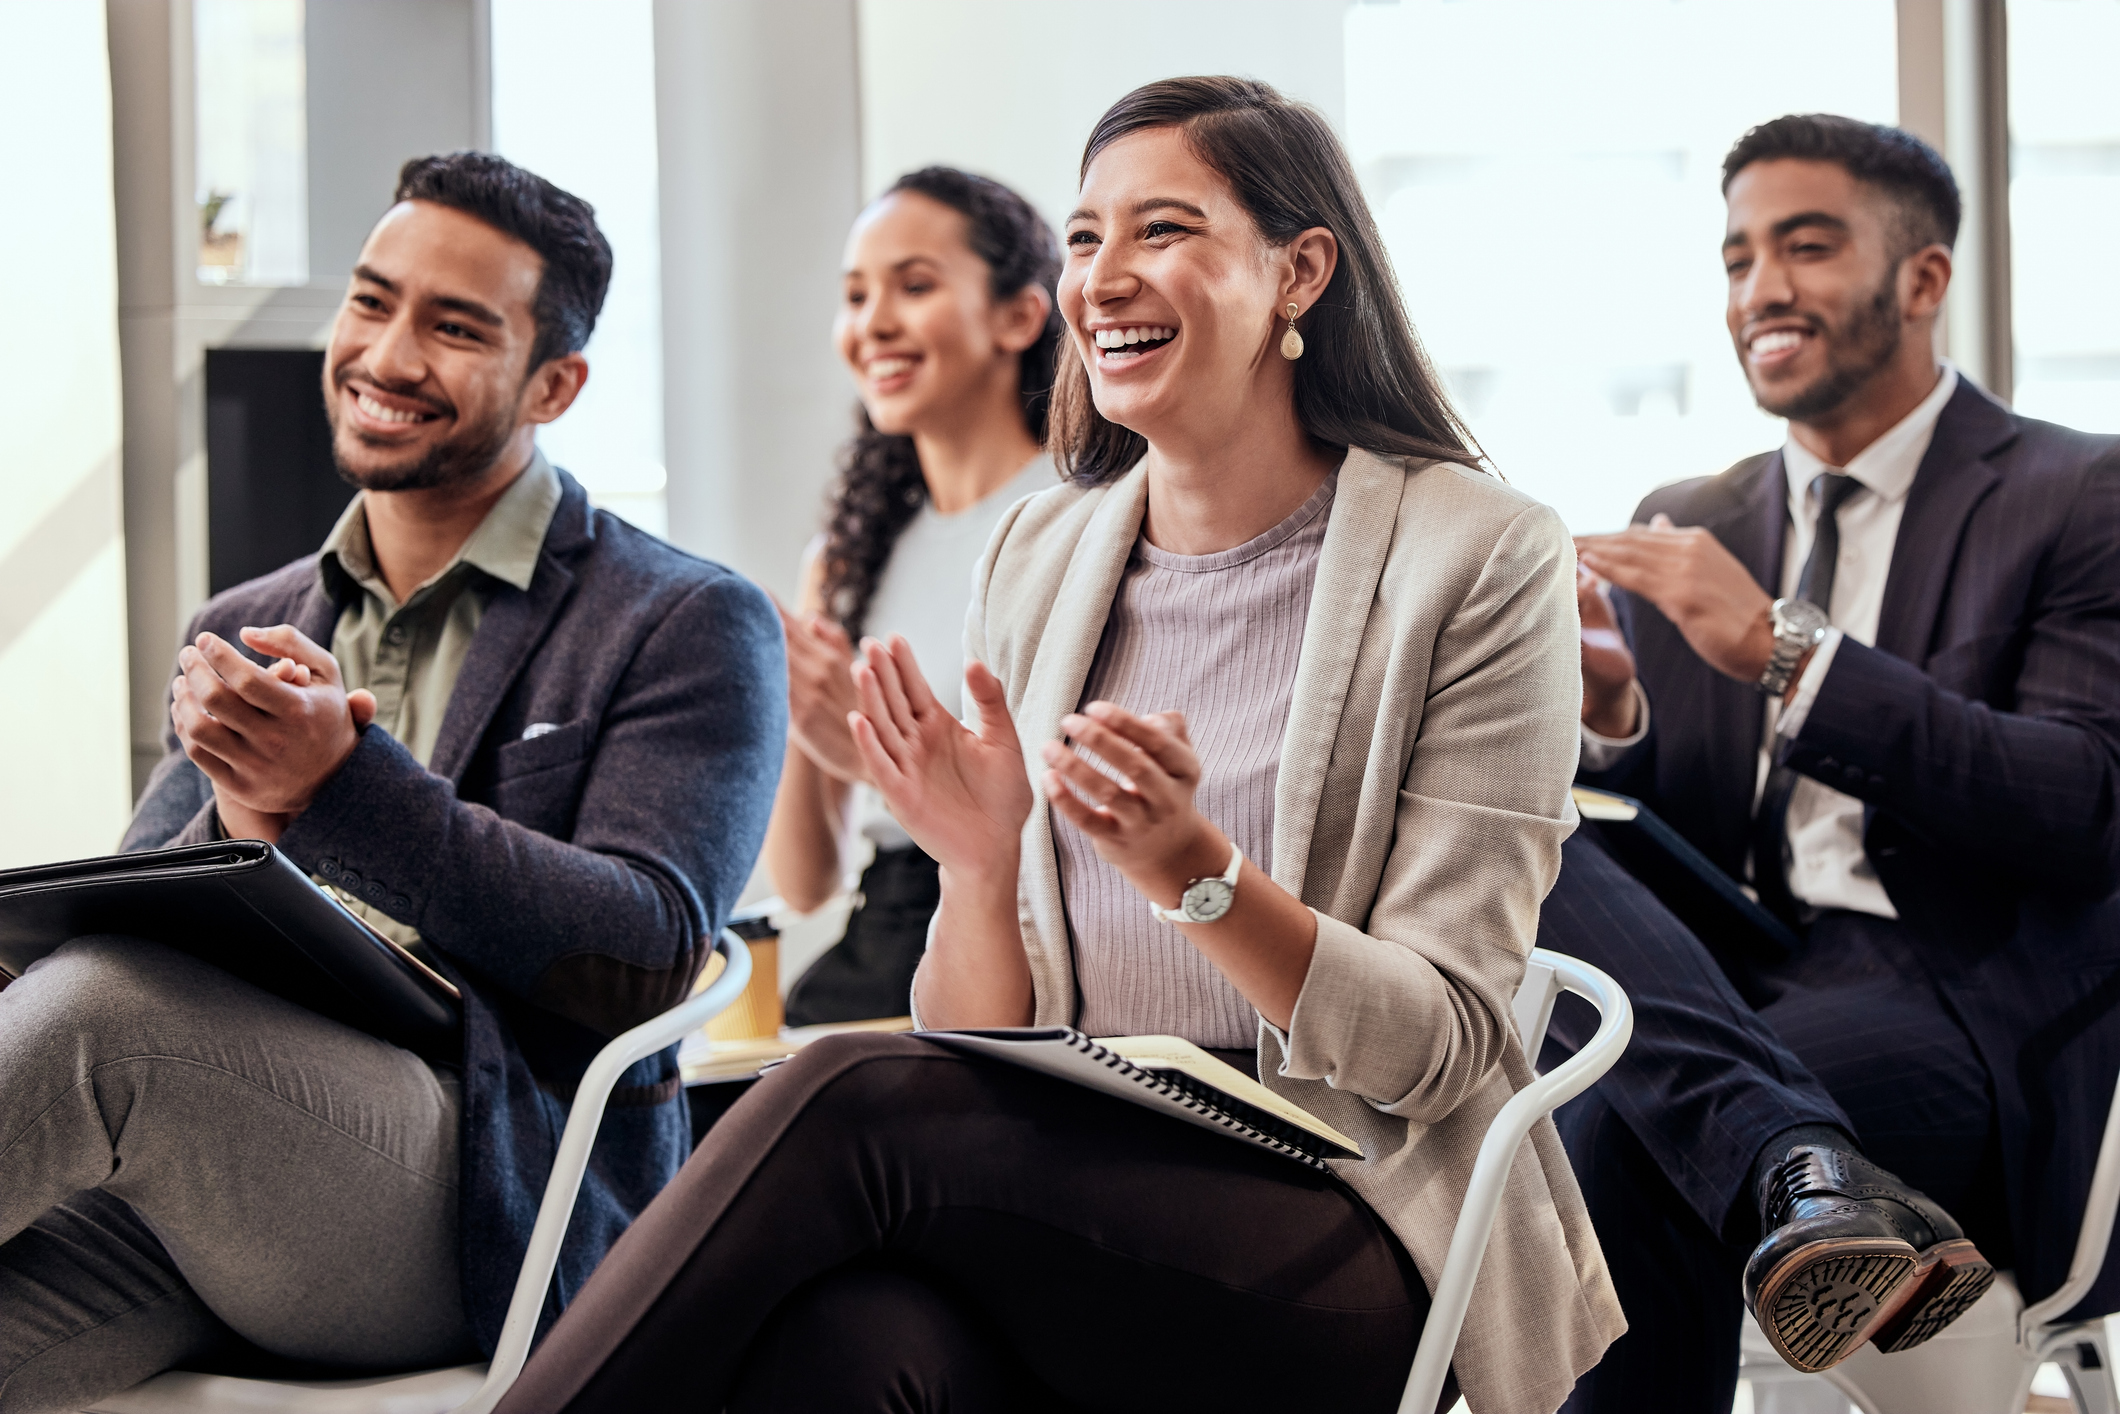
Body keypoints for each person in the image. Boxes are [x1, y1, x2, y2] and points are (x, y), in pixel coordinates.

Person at [492, 76, 1622, 1414]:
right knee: (848, 1342)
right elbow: (985, 1035)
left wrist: (1194, 870)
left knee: (846, 1089)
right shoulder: (1047, 550)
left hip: (1351, 1233)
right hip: (1077, 1207)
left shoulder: (1479, 553)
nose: (1105, 278)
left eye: (1162, 230)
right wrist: (976, 870)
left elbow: (1439, 1044)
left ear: (1300, 269)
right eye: (1085, 237)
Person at [0, 153, 784, 1411]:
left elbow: (643, 951)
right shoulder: (246, 619)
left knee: (101, 1016)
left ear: (555, 382)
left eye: (455, 326)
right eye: (372, 301)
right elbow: (130, 907)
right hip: (213, 1177)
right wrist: (246, 817)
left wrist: (338, 788)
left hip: (482, 1187)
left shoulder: (684, 619)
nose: (388, 352)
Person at [1540, 113, 2120, 1410]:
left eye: (1805, 247)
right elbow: (1663, 843)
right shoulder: (1692, 516)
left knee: (1617, 1135)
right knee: (1527, 818)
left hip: (1955, 998)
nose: (1762, 290)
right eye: (1740, 257)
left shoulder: (2083, 493)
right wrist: (1612, 713)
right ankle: (1797, 1155)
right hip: (1727, 981)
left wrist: (1786, 648)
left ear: (1922, 278)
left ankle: (1789, 1153)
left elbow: (2084, 808)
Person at [766, 166, 1058, 1026]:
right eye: (855, 296)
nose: (873, 324)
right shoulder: (846, 561)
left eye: (915, 286)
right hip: (882, 933)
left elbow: (1061, 821)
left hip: (1025, 930)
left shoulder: (1080, 519)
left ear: (1020, 315)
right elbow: (806, 882)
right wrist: (805, 722)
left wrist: (868, 757)